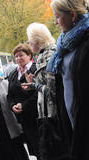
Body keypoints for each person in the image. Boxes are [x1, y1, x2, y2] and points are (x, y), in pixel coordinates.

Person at [46, 0, 89, 160]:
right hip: (77, 127)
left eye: (57, 17)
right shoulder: (67, 42)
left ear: (73, 15)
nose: (55, 22)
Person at [22, 22, 70, 160]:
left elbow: (52, 91)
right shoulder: (47, 53)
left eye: (30, 41)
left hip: (53, 116)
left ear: (37, 40)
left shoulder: (48, 56)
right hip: (51, 114)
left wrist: (34, 85)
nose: (29, 44)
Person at [7, 43, 39, 159]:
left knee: (44, 150)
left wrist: (24, 105)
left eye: (21, 55)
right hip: (24, 120)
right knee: (35, 150)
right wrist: (12, 106)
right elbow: (9, 95)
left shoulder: (36, 69)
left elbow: (39, 93)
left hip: (38, 118)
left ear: (29, 55)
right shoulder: (13, 74)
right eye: (16, 56)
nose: (18, 58)